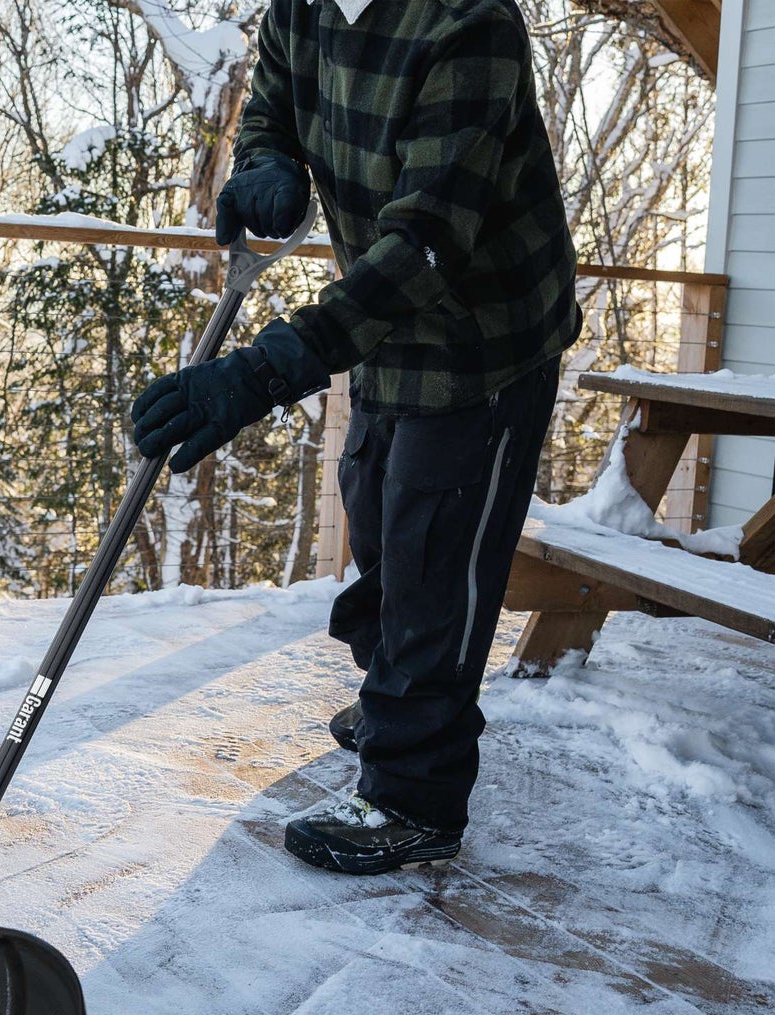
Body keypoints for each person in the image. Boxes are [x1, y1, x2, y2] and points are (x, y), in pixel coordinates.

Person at [131, 0, 581, 875]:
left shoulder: (469, 25)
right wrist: (267, 158)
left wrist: (263, 371)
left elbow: (424, 244)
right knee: (374, 508)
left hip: (482, 337)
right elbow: (270, 104)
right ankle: (399, 704)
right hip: (381, 321)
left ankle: (413, 795)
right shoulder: (299, 10)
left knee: (433, 555)